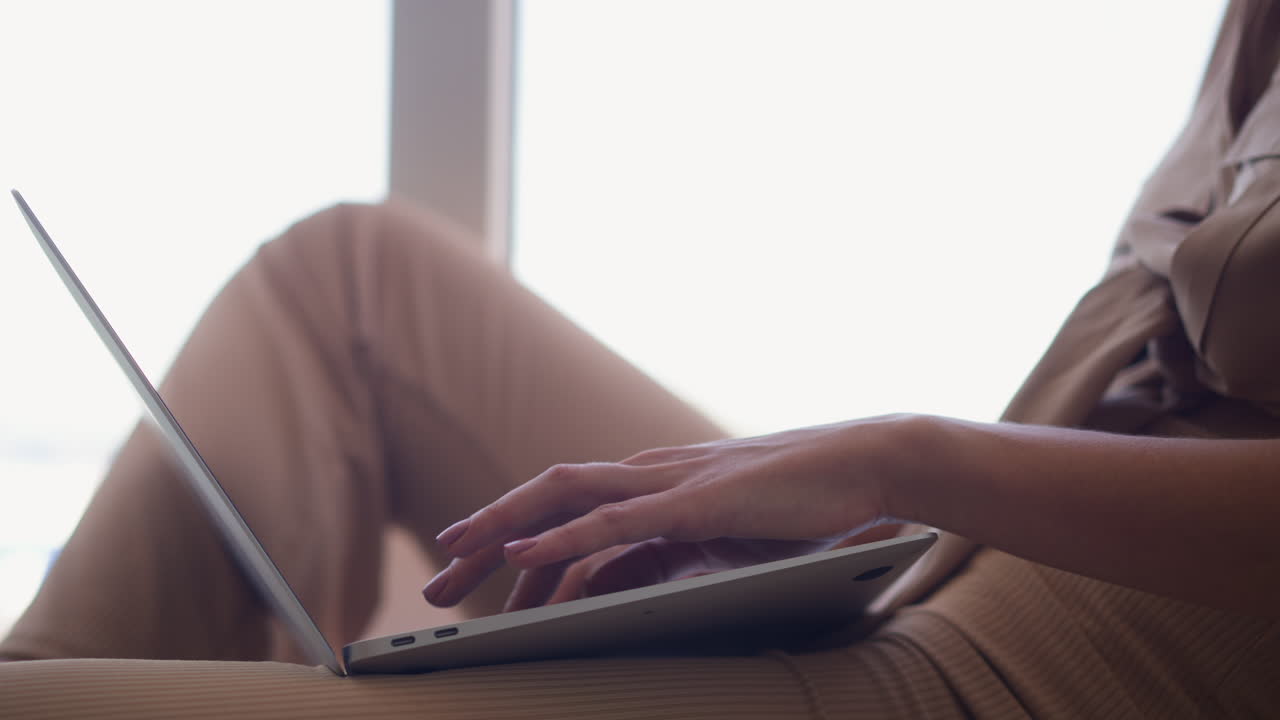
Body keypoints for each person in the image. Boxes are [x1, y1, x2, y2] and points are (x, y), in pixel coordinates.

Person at [2, 1, 1279, 717]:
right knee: (345, 285)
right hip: (966, 562)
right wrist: (855, 526)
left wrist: (903, 459)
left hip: (1042, 671)